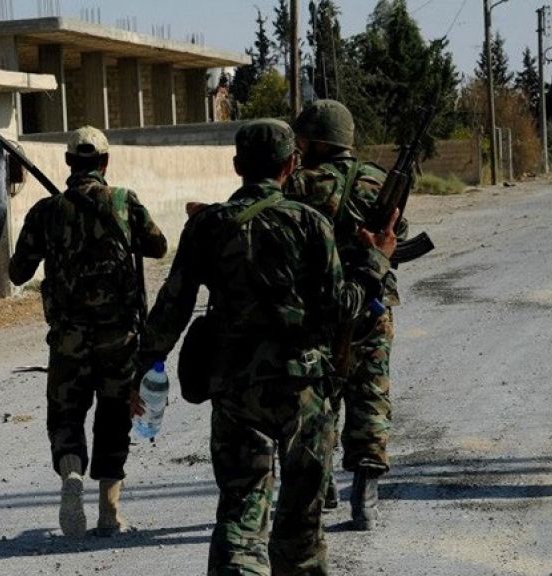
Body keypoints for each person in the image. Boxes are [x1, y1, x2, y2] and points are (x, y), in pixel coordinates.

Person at [138, 119, 397, 575]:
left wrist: (145, 363)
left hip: (235, 389)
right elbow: (341, 307)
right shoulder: (310, 224)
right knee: (300, 524)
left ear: (237, 165)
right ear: (290, 164)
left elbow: (172, 305)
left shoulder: (207, 226)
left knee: (240, 510)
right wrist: (376, 259)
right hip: (304, 392)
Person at [8, 126, 168, 538]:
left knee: (66, 415)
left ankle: (72, 473)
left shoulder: (47, 211)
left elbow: (18, 271)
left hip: (68, 339)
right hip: (119, 339)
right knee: (114, 419)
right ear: (105, 162)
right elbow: (158, 246)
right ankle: (109, 515)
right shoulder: (124, 202)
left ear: (68, 163)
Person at [289, 99, 406, 530]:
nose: (299, 147)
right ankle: (366, 497)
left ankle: (321, 486)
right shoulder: (378, 180)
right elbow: (399, 234)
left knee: (320, 395)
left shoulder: (301, 183)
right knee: (370, 393)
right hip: (373, 302)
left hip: (320, 304)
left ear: (319, 142)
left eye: (303, 140)